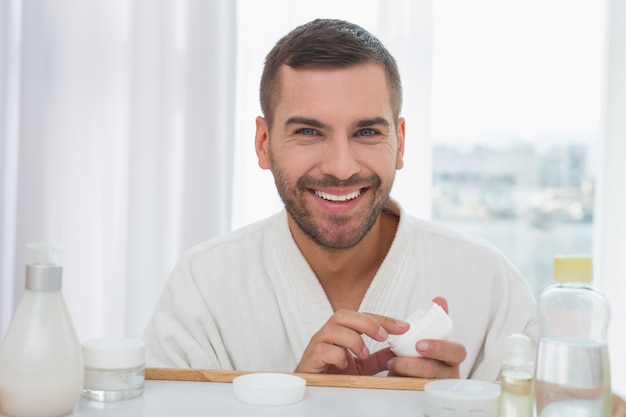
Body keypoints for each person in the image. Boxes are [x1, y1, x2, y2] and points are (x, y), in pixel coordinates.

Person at [143, 18, 537, 381]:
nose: (342, 167)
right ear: (264, 144)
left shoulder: (489, 285)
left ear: (400, 143)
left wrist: (458, 409)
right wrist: (296, 398)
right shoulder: (202, 289)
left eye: (366, 132)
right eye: (309, 132)